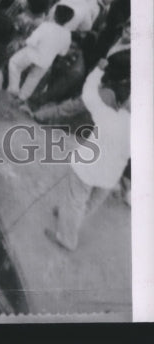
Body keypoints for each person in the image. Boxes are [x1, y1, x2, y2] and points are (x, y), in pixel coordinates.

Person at [47, 55, 130, 250]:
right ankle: (70, 218)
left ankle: (67, 237)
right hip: (110, 176)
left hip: (87, 168)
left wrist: (97, 71)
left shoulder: (108, 115)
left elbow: (88, 94)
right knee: (87, 203)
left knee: (76, 200)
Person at [7, 3, 75, 100]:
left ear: (55, 15)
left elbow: (32, 41)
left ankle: (14, 89)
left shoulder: (46, 26)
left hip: (32, 53)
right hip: (46, 61)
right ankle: (22, 97)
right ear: (68, 20)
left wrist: (24, 42)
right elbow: (63, 53)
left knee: (14, 63)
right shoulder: (67, 34)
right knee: (33, 79)